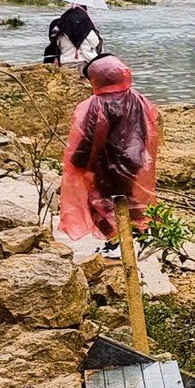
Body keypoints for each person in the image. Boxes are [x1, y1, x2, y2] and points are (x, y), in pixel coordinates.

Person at [59, 55, 160, 247]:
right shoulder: (138, 99)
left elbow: (87, 135)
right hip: (133, 160)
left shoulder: (95, 105)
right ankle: (140, 232)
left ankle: (114, 240)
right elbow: (148, 129)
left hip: (103, 164)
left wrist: (78, 161)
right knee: (130, 198)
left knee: (99, 202)